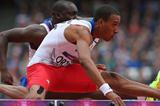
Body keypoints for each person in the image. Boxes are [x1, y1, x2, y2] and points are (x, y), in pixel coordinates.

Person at [0, 1, 160, 102]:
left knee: (112, 78)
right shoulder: (82, 31)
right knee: (37, 96)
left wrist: (93, 66)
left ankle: (155, 93)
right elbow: (84, 60)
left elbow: (71, 55)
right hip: (42, 67)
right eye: (114, 24)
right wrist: (108, 91)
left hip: (63, 69)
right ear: (101, 23)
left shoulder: (95, 31)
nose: (117, 30)